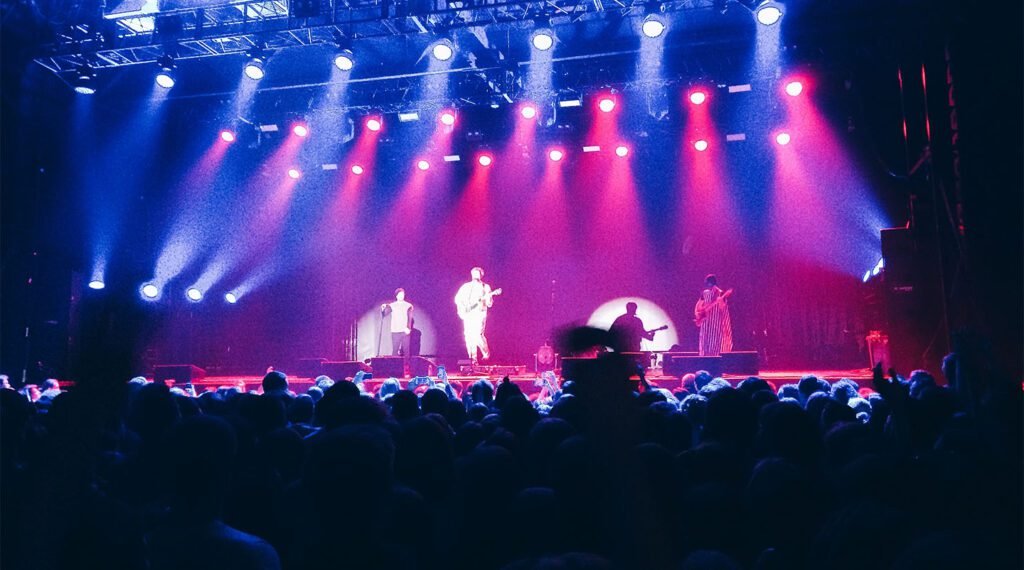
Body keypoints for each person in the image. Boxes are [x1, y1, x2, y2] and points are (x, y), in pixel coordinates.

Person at [454, 267, 500, 365]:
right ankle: (473, 360)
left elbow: (489, 304)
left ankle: (486, 354)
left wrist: (490, 296)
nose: (475, 275)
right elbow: (457, 299)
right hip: (468, 314)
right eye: (474, 273)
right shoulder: (465, 287)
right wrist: (462, 308)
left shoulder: (485, 287)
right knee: (469, 336)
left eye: (477, 273)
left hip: (480, 313)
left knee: (477, 335)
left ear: (481, 275)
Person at [694, 274, 733, 356]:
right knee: (705, 343)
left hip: (715, 323)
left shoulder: (720, 293)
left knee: (714, 343)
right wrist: (698, 313)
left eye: (709, 283)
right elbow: (698, 305)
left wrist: (720, 301)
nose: (708, 286)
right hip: (705, 322)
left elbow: (723, 308)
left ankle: (714, 362)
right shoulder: (704, 293)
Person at [381, 288, 414, 359]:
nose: (401, 296)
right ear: (396, 296)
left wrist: (408, 328)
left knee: (406, 351)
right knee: (395, 350)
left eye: (402, 294)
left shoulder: (408, 305)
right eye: (399, 295)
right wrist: (383, 308)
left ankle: (407, 368)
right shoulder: (392, 305)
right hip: (395, 331)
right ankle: (395, 367)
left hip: (405, 331)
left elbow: (410, 317)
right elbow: (384, 314)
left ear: (404, 295)